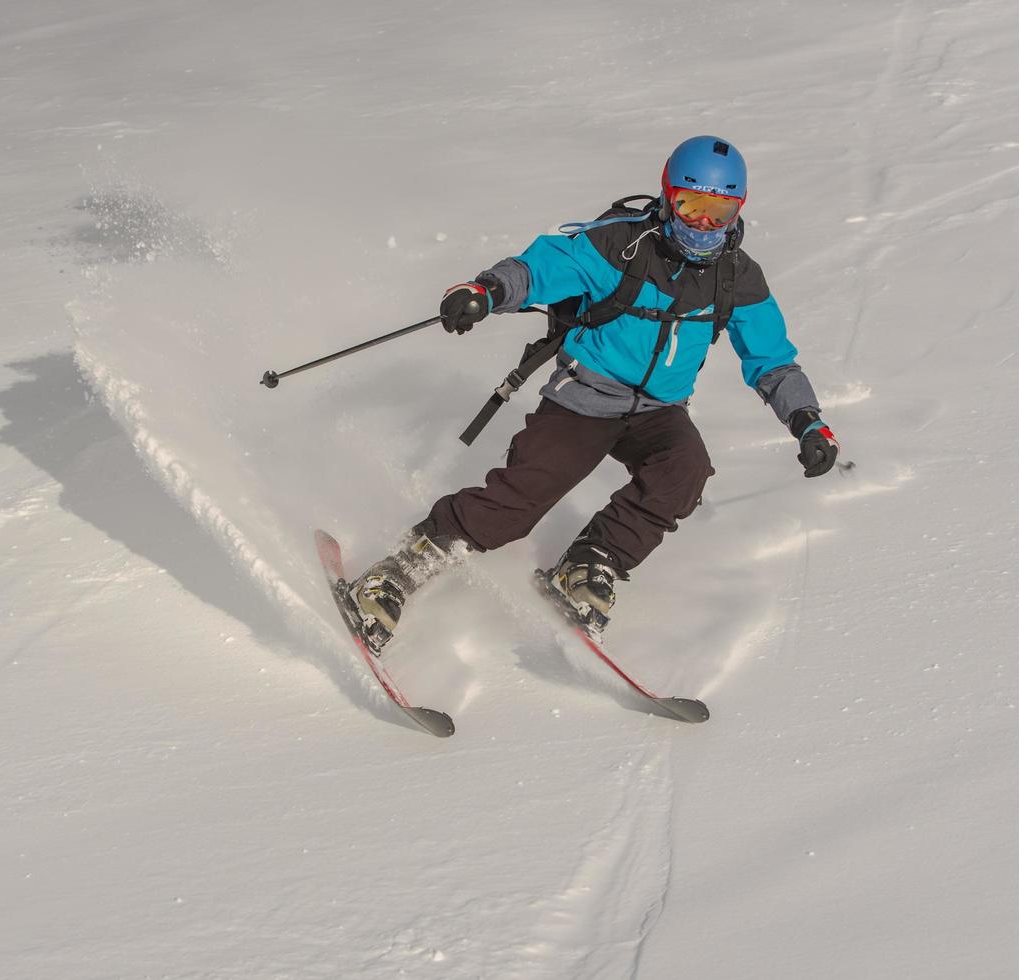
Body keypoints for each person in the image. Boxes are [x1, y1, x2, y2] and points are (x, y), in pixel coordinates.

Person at [346, 136, 840, 650]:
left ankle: (590, 563)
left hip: (658, 410)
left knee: (683, 472)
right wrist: (487, 292)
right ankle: (398, 572)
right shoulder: (618, 244)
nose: (703, 226)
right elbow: (543, 268)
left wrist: (806, 420)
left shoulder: (737, 277)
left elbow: (772, 358)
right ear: (669, 197)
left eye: (720, 211)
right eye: (691, 207)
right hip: (583, 398)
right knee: (520, 501)